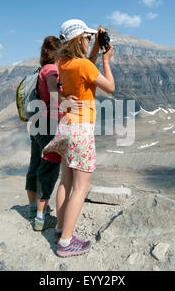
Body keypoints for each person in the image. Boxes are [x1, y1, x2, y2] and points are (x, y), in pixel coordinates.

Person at [42, 20, 115, 257]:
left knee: (66, 181)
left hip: (66, 126)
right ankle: (66, 241)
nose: (89, 40)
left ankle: (60, 228)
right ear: (80, 40)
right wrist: (105, 59)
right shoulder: (84, 64)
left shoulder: (64, 63)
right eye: (87, 37)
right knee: (81, 188)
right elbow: (110, 87)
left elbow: (84, 68)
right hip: (81, 129)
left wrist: (93, 50)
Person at [25, 35, 82, 231]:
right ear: (58, 51)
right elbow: (51, 89)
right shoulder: (52, 69)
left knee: (35, 164)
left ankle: (33, 209)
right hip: (49, 123)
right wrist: (67, 101)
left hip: (37, 122)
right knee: (48, 168)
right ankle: (41, 219)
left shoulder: (41, 69)